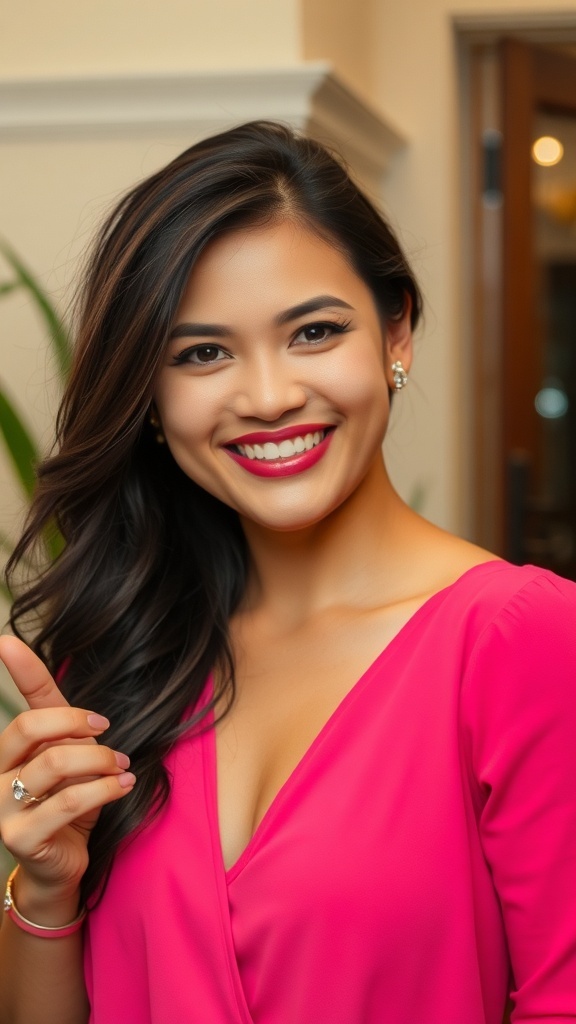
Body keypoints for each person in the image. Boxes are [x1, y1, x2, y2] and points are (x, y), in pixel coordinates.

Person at [0, 120, 575, 1024]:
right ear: (150, 398)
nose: (267, 396)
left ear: (398, 333)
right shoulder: (125, 653)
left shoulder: (522, 640)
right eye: (203, 352)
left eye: (313, 331)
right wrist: (44, 890)